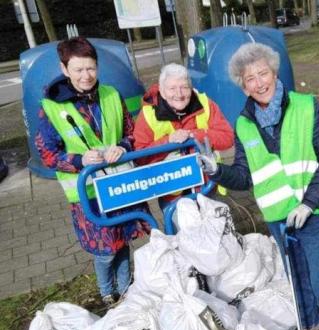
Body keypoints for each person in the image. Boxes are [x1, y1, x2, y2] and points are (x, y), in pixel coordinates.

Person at [201, 42, 319, 330]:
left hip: (311, 214)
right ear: (242, 85)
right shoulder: (244, 124)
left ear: (274, 72)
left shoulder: (306, 107)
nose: (258, 82)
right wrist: (216, 171)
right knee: (297, 281)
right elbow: (245, 175)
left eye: (262, 73)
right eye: (249, 78)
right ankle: (308, 325)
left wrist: (308, 202)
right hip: (278, 219)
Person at [36, 37, 150, 306]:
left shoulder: (111, 95)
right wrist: (79, 160)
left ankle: (126, 289)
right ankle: (106, 291)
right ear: (65, 70)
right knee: (104, 251)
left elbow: (132, 134)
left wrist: (122, 146)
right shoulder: (52, 107)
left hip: (119, 184)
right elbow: (47, 154)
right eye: (78, 70)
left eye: (91, 68)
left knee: (122, 241)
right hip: (88, 192)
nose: (86, 76)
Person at [133, 63, 234, 210]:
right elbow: (140, 156)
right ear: (162, 91)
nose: (179, 94)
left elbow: (227, 137)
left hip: (207, 188)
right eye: (172, 88)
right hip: (172, 195)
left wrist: (194, 135)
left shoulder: (205, 104)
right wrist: (168, 141)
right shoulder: (148, 115)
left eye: (184, 87)